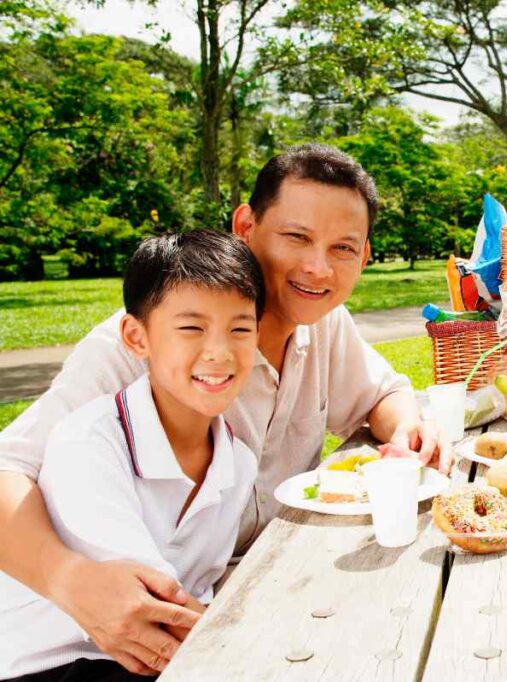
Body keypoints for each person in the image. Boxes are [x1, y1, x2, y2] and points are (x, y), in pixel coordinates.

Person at [0, 144, 448, 675]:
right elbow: (11, 468)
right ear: (246, 225)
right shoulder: (145, 344)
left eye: (342, 247)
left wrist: (407, 429)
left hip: (252, 588)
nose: (317, 267)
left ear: (364, 255)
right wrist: (67, 579)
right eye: (296, 237)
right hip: (91, 641)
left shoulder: (325, 325)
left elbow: (380, 394)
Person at [0, 231, 263, 681]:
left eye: (240, 328)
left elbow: (197, 593)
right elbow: (159, 612)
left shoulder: (237, 462)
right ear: (136, 337)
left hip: (151, 660)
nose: (219, 352)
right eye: (191, 328)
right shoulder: (88, 444)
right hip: (55, 662)